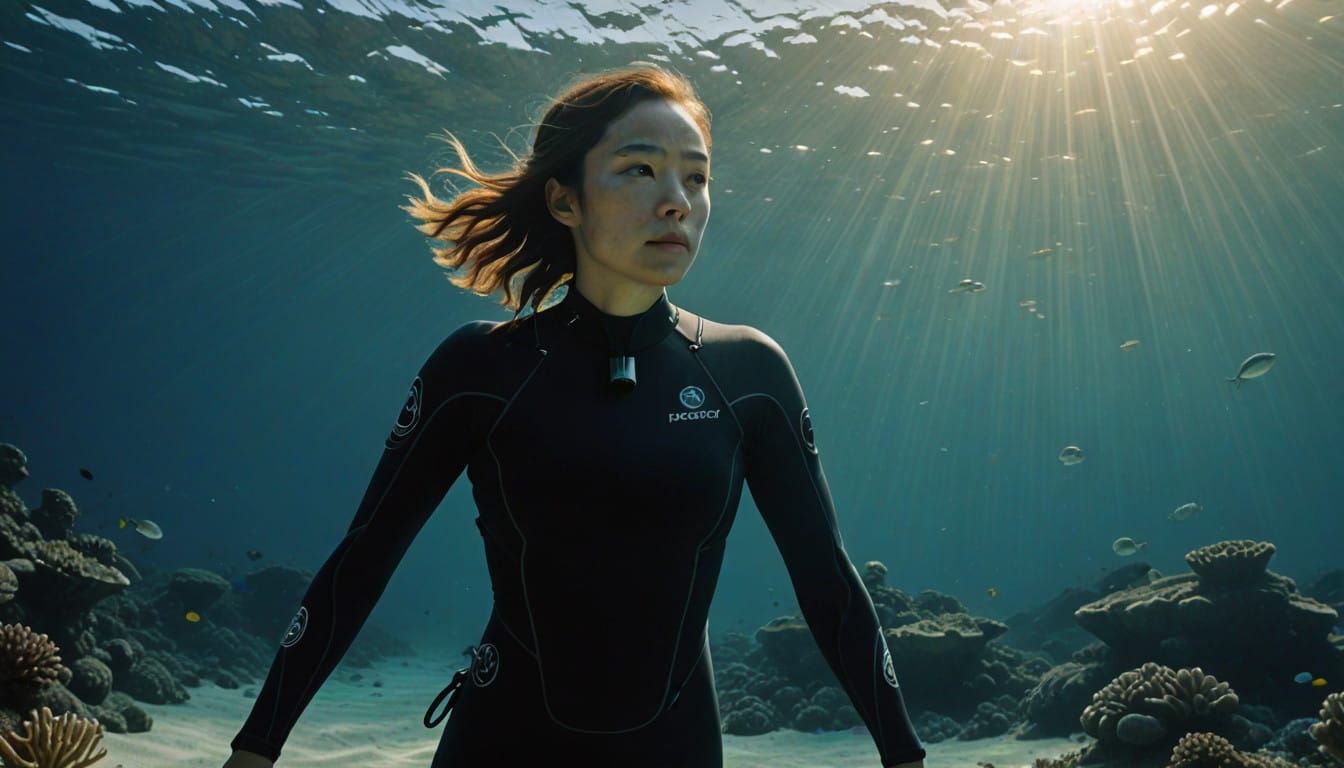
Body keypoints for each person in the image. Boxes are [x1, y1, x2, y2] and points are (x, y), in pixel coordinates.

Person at [223, 62, 926, 768]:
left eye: (697, 176)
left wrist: (905, 756)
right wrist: (256, 749)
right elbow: (363, 562)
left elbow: (828, 583)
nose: (677, 201)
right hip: (499, 743)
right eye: (640, 170)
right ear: (564, 200)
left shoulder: (751, 375)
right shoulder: (478, 371)